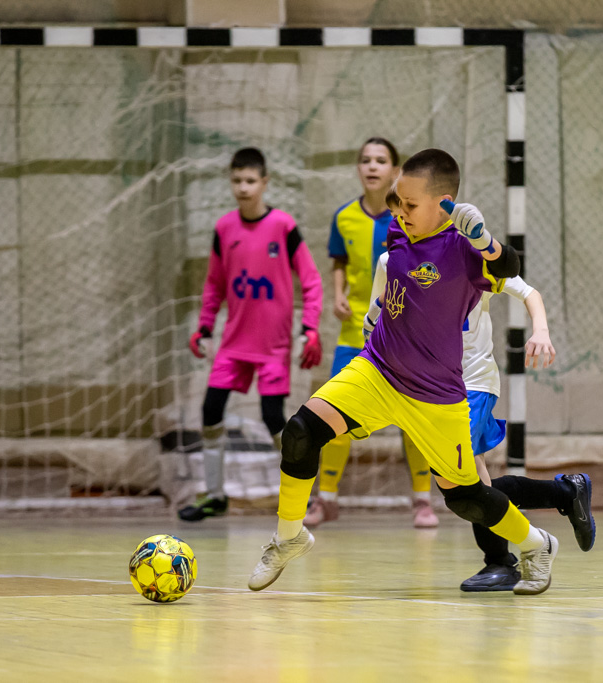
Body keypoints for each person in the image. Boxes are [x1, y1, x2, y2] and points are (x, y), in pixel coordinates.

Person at [249, 148, 559, 595]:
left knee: (465, 497)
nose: (400, 211)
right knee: (301, 431)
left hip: (435, 393)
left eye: (410, 204)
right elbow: (403, 279)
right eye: (398, 201)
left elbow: (508, 267)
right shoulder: (400, 228)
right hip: (377, 370)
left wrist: (485, 240)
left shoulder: (464, 250)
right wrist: (380, 310)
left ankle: (537, 544)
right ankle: (288, 537)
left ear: (444, 204)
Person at [368, 191, 595, 592]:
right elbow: (378, 316)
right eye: (396, 213)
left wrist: (541, 331)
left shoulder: (467, 257)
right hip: (429, 387)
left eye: (409, 209)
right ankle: (564, 492)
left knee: (465, 478)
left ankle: (502, 561)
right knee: (474, 487)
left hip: (472, 381)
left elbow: (529, 293)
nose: (402, 219)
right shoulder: (392, 262)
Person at [179, 147, 324, 522]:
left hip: (273, 346)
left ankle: (301, 497)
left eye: (250, 180)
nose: (243, 187)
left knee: (273, 418)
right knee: (210, 410)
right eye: (237, 180)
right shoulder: (224, 228)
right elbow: (214, 284)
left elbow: (311, 281)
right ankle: (215, 496)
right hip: (233, 344)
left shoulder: (284, 226)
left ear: (264, 182)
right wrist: (204, 326)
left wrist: (309, 328)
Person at [307, 137, 438, 529]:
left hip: (404, 338)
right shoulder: (344, 217)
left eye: (381, 160)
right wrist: (337, 294)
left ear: (395, 171)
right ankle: (326, 499)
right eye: (365, 160)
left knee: (414, 420)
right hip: (354, 335)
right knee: (334, 414)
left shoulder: (411, 218)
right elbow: (339, 261)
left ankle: (422, 501)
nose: (372, 166)